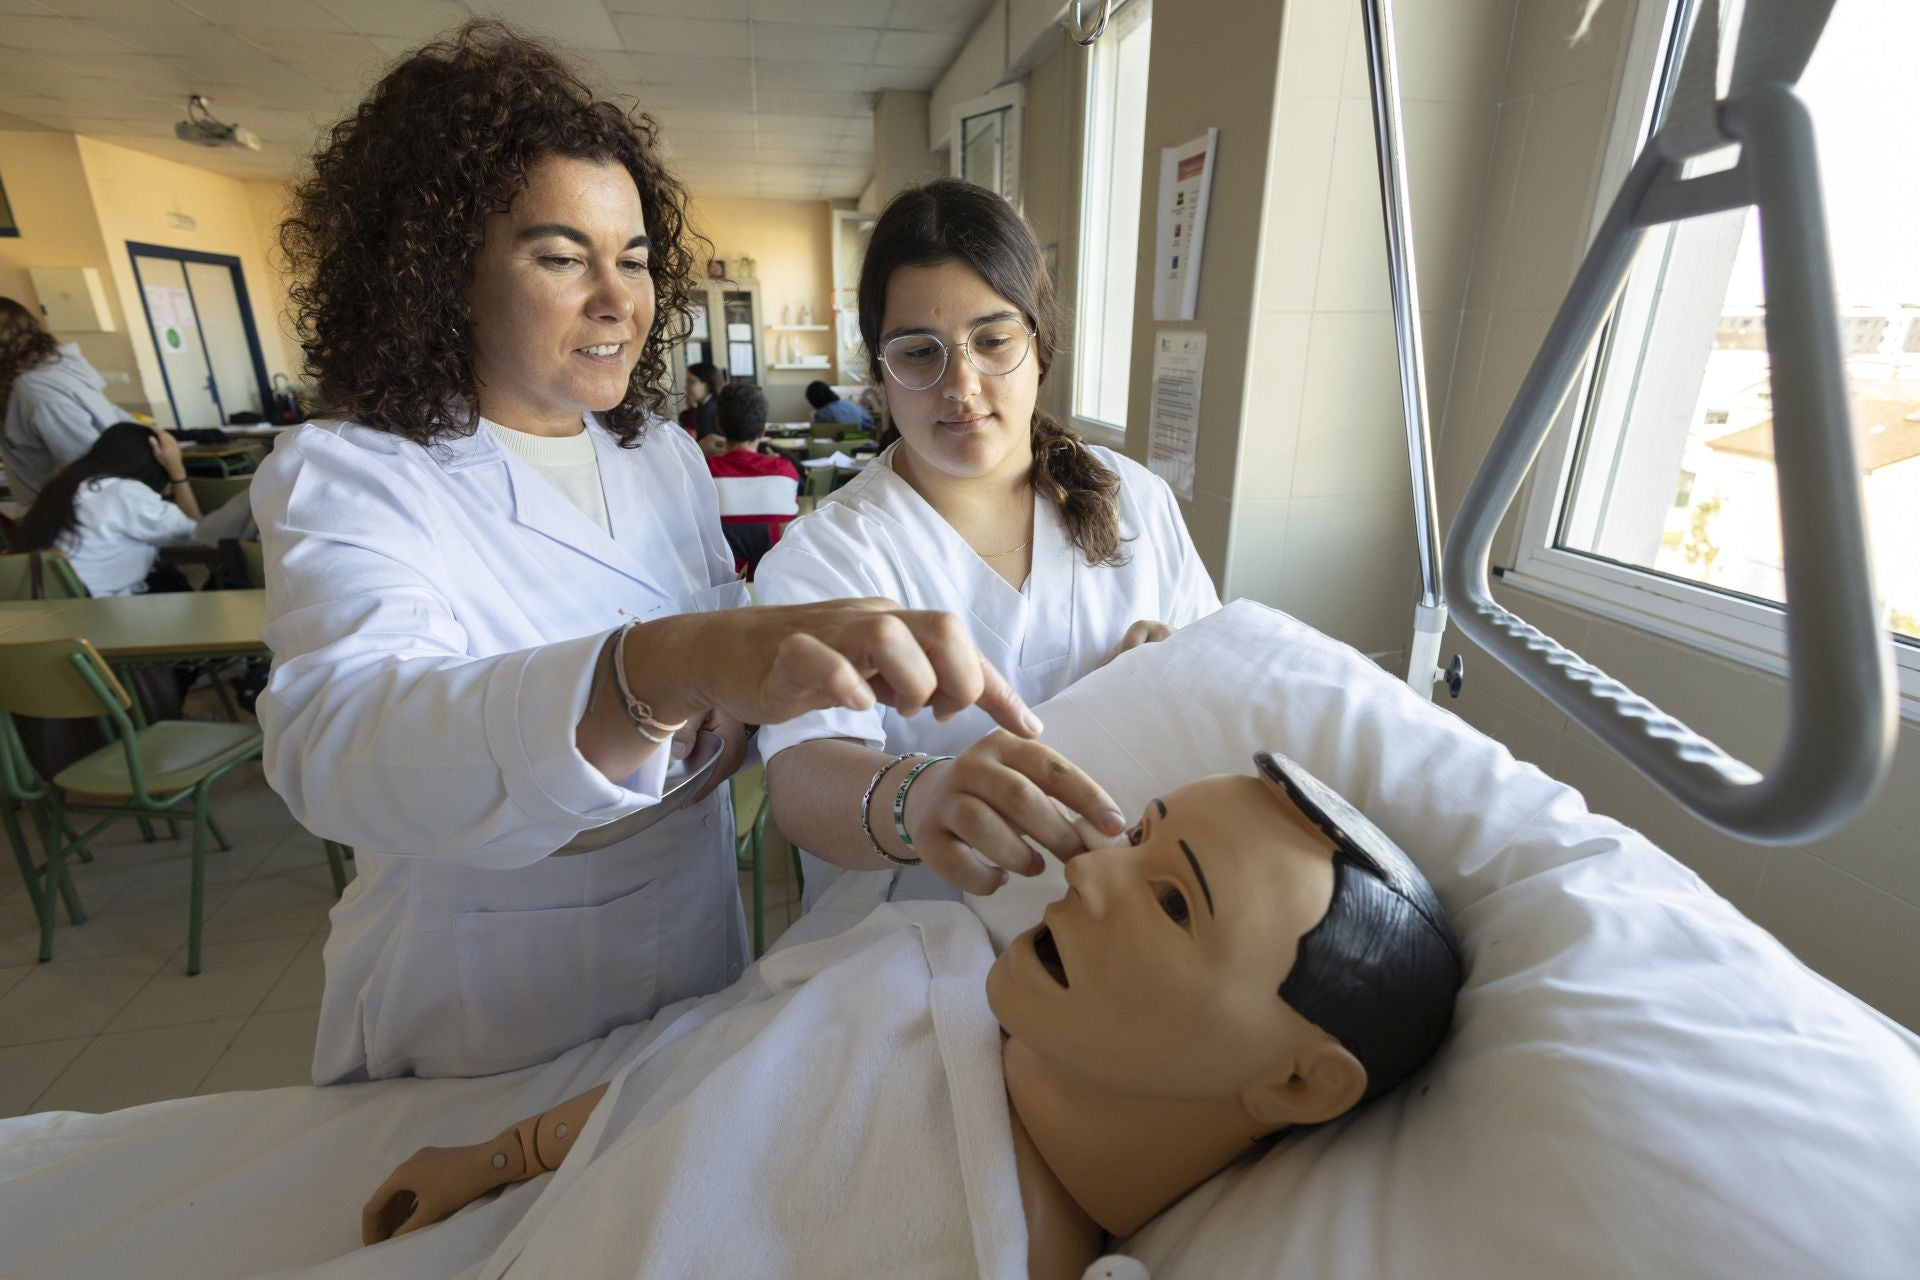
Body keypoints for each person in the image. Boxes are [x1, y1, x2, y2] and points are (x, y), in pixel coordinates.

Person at [255, 23, 1119, 1086]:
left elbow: (735, 718)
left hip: (691, 941)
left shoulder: (658, 456)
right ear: (439, 272)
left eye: (633, 259)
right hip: (485, 982)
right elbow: (337, 746)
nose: (619, 299)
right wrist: (663, 669)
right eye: (563, 257)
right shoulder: (354, 472)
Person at [359, 752, 1463, 1278]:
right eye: (1136, 836)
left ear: (1301, 1080)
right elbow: (700, 1077)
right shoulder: (909, 966)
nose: (1088, 875)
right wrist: (504, 1151)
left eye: (1174, 900)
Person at [756, 179, 1222, 907]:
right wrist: (918, 798)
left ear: (1040, 346)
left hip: (1121, 920)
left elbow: (1224, 684)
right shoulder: (829, 555)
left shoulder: (1137, 503)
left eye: (993, 341)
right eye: (919, 352)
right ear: (878, 369)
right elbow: (799, 776)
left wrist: (1177, 674)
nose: (961, 385)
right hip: (914, 950)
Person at [11, 422, 204, 596]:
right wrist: (177, 471)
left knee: (167, 577)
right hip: (98, 610)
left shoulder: (67, 485)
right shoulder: (126, 492)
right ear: (154, 463)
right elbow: (198, 531)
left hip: (43, 605)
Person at [0, 297, 129, 504]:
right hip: (72, 508)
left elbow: (85, 466)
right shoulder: (47, 371)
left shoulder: (37, 390)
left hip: (79, 514)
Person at [707, 381, 801, 576]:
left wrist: (698, 450)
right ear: (762, 431)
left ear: (719, 425)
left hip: (721, 590)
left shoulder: (704, 474)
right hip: (775, 585)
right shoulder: (784, 471)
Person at [675, 359, 725, 448]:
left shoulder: (711, 408)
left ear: (706, 383)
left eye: (691, 381)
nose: (686, 386)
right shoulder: (704, 405)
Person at [804, 379, 874, 432]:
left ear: (814, 400)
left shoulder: (820, 414)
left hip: (832, 449)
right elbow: (870, 422)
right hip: (861, 446)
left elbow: (820, 434)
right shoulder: (851, 404)